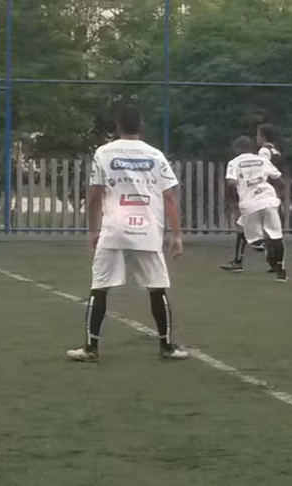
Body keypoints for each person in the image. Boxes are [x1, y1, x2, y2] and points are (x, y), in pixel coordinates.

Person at [67, 105, 189, 362]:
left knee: (100, 287)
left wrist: (93, 230)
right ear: (141, 126)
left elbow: (95, 195)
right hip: (148, 229)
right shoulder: (155, 155)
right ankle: (167, 346)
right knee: (157, 288)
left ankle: (91, 348)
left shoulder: (104, 153)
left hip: (114, 229)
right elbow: (169, 197)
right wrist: (177, 235)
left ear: (118, 126)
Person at [220, 124, 284, 272]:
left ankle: (241, 261)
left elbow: (234, 181)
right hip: (269, 196)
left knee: (248, 230)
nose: (257, 138)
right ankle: (275, 264)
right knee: (271, 232)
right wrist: (278, 194)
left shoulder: (262, 152)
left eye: (258, 135)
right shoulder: (274, 151)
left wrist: (235, 198)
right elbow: (276, 176)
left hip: (253, 198)